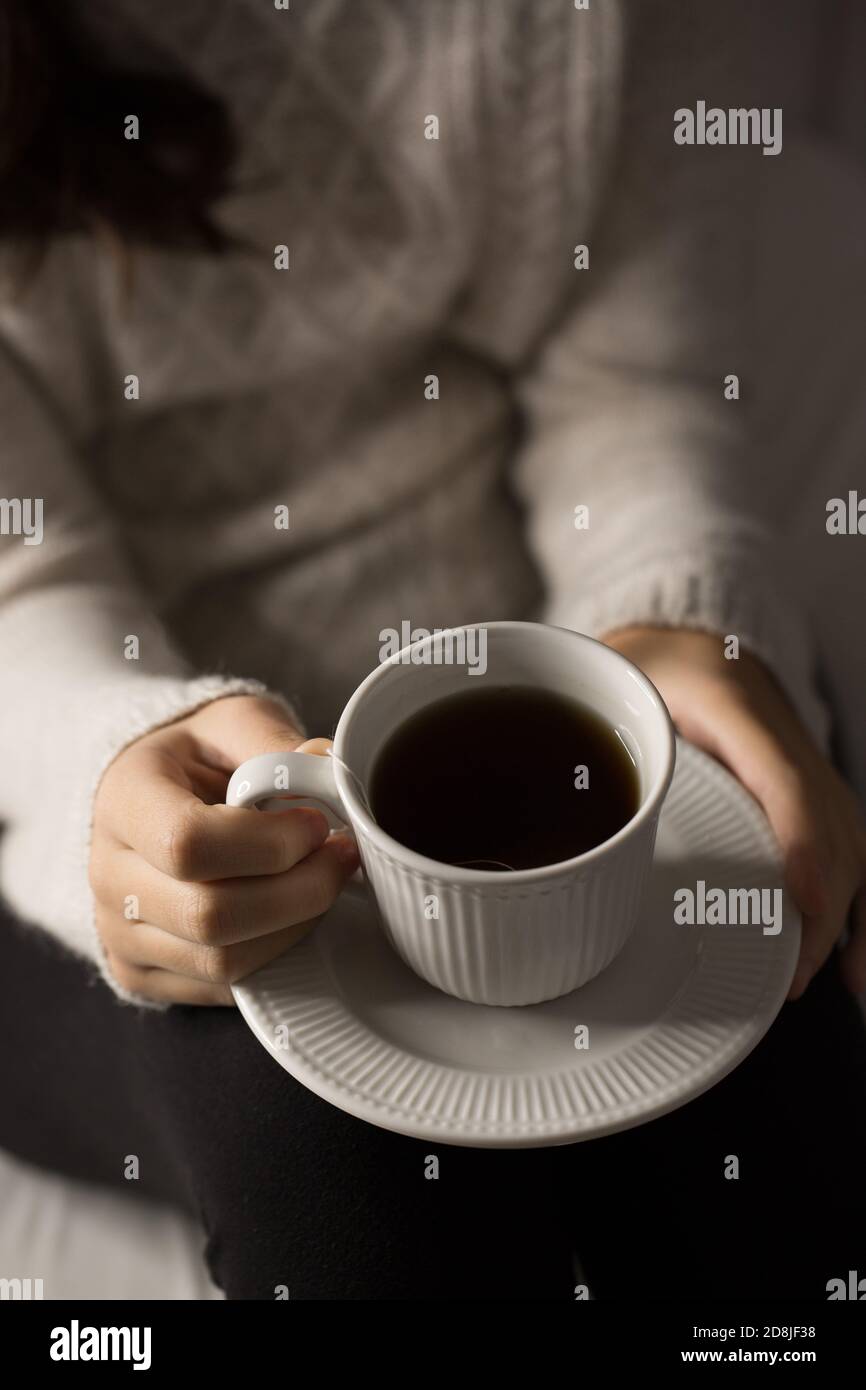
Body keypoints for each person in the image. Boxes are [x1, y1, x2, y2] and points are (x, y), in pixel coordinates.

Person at [0, 0, 864, 1299]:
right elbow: (27, 572)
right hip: (81, 752)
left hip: (536, 629)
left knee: (752, 1037)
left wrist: (675, 610)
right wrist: (107, 780)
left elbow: (631, 383)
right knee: (344, 1148)